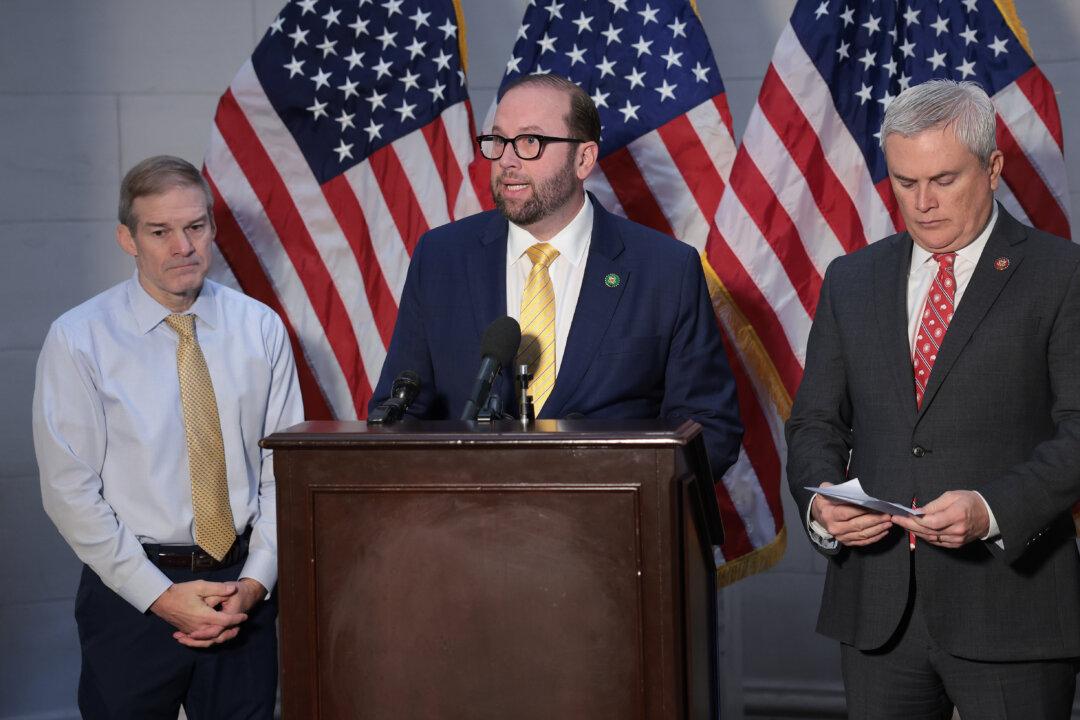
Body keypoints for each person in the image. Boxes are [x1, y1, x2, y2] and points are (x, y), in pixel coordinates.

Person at [787, 79, 1080, 719]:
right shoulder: (852, 279)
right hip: (876, 611)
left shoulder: (1063, 275)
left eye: (944, 180)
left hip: (1011, 610)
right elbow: (814, 422)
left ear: (994, 169)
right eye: (904, 182)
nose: (922, 204)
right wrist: (820, 504)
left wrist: (992, 507)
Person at [33, 155, 304, 718]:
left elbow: (286, 474)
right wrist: (159, 596)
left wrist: (254, 583)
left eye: (195, 226)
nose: (183, 246)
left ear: (211, 227)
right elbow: (69, 491)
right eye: (160, 231)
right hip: (130, 595)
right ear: (127, 240)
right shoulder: (79, 339)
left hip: (240, 596)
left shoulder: (260, 328)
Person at [370, 73, 742, 482]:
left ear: (584, 159)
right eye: (498, 141)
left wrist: (625, 498)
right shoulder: (441, 259)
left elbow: (710, 426)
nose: (507, 161)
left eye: (530, 142)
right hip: (467, 528)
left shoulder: (665, 270)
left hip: (610, 532)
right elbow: (400, 411)